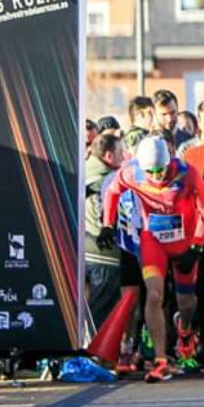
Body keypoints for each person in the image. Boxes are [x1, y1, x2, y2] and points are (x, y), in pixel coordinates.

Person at [100, 135, 204, 382]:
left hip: (183, 241)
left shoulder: (185, 173)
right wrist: (107, 224)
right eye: (150, 171)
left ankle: (184, 330)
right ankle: (161, 359)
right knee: (154, 295)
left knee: (186, 301)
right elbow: (112, 192)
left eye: (160, 170)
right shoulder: (131, 172)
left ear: (168, 162)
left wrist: (197, 245)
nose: (156, 176)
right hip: (153, 241)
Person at [85, 133, 125, 330]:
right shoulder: (109, 180)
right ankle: (93, 356)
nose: (124, 157)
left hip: (84, 252)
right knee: (101, 312)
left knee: (89, 308)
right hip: (103, 255)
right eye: (120, 152)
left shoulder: (82, 170)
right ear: (109, 156)